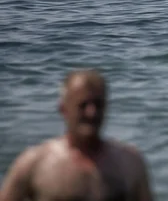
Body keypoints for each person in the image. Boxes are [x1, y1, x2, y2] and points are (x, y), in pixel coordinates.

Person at [0, 69, 153, 201]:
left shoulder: (130, 163)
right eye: (83, 105)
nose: (92, 113)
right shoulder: (35, 164)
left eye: (98, 105)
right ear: (63, 109)